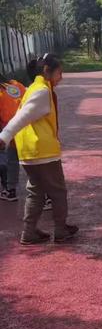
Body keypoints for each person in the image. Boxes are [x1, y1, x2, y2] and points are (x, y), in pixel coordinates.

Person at [0, 54, 78, 245]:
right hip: (42, 150)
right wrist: (4, 136)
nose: (61, 77)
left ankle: (29, 231)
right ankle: (60, 229)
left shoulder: (33, 88)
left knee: (36, 191)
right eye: (59, 73)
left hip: (28, 150)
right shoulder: (42, 91)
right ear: (47, 71)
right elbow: (23, 116)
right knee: (58, 191)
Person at [0, 74, 26, 202]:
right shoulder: (17, 85)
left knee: (12, 161)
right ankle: (47, 195)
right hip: (28, 130)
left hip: (11, 133)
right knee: (34, 164)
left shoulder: (0, 92)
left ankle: (11, 191)